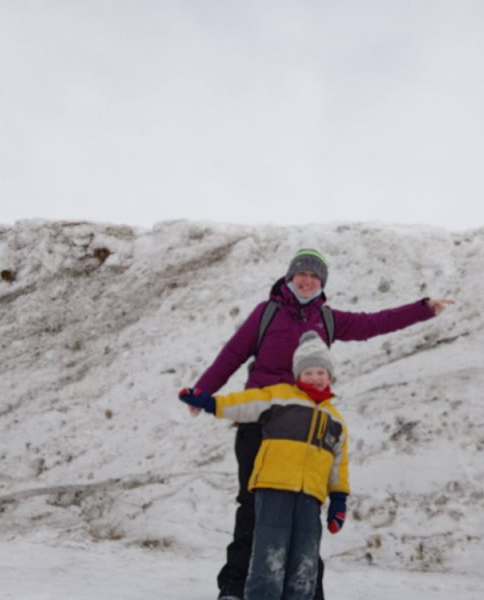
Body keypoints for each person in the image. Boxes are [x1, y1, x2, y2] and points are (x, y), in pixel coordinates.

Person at [190, 248, 452, 600]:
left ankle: (309, 591)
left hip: (307, 430)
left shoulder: (328, 319)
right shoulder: (266, 313)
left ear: (322, 283)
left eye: (315, 275)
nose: (308, 279)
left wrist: (421, 310)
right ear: (289, 277)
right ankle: (235, 587)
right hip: (261, 422)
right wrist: (204, 390)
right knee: (252, 505)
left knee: (306, 510)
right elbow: (234, 352)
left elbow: (374, 323)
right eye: (302, 273)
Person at [180, 331, 348, 600]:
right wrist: (211, 403)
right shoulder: (279, 397)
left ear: (330, 375)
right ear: (298, 375)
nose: (315, 378)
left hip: (310, 498)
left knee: (305, 561)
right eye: (308, 372)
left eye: (320, 372)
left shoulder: (335, 419)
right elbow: (244, 405)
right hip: (274, 489)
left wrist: (338, 499)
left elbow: (338, 464)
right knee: (269, 555)